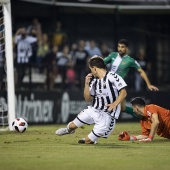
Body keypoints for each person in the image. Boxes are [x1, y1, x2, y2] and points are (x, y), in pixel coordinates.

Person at [55, 56, 127, 144]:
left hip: (107, 115)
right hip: (94, 110)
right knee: (72, 126)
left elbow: (123, 92)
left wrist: (114, 104)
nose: (91, 72)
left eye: (91, 69)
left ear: (94, 68)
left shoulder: (113, 77)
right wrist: (86, 84)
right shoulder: (94, 81)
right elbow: (87, 99)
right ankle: (68, 130)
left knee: (88, 141)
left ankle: (91, 140)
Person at [104, 39, 159, 118]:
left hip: (118, 86)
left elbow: (141, 71)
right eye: (119, 46)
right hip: (109, 84)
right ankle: (145, 117)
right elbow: (101, 62)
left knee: (111, 105)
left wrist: (148, 84)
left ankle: (146, 116)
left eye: (122, 47)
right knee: (123, 108)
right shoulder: (113, 55)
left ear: (127, 48)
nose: (120, 49)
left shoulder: (130, 60)